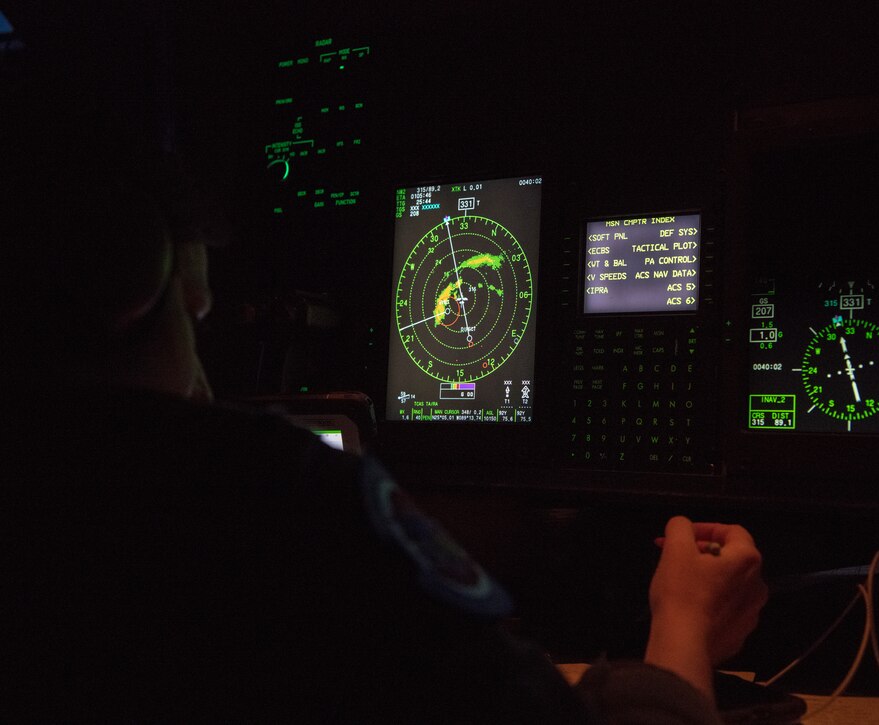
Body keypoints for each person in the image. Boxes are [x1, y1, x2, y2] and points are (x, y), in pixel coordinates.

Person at [3, 32, 768, 725]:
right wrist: (683, 621)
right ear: (125, 260)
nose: (204, 388)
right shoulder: (277, 501)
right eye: (193, 319)